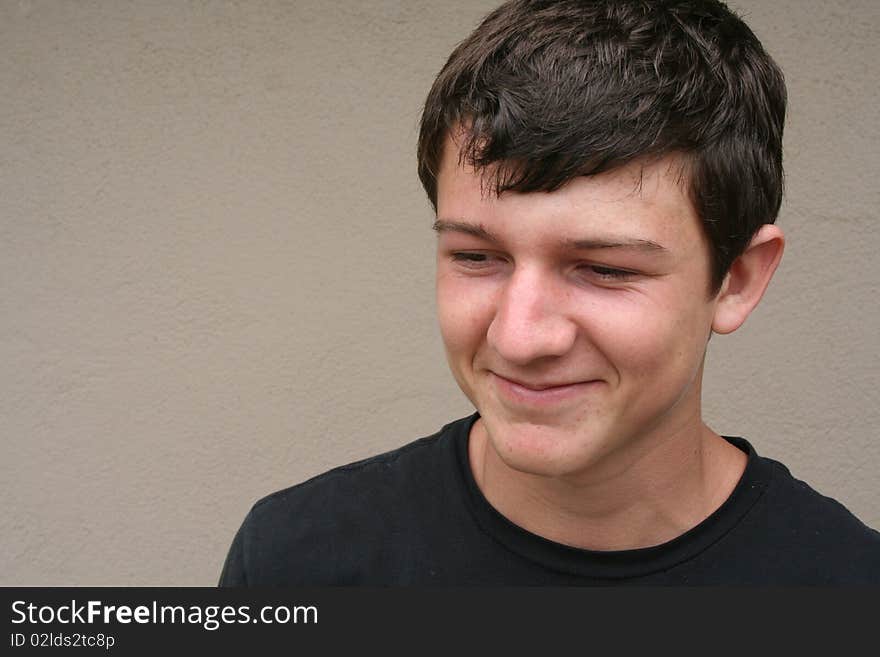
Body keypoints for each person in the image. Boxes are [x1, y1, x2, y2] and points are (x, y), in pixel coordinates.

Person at [219, 0, 880, 585]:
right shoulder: (293, 564)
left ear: (736, 278)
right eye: (477, 256)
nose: (518, 336)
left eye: (605, 269)